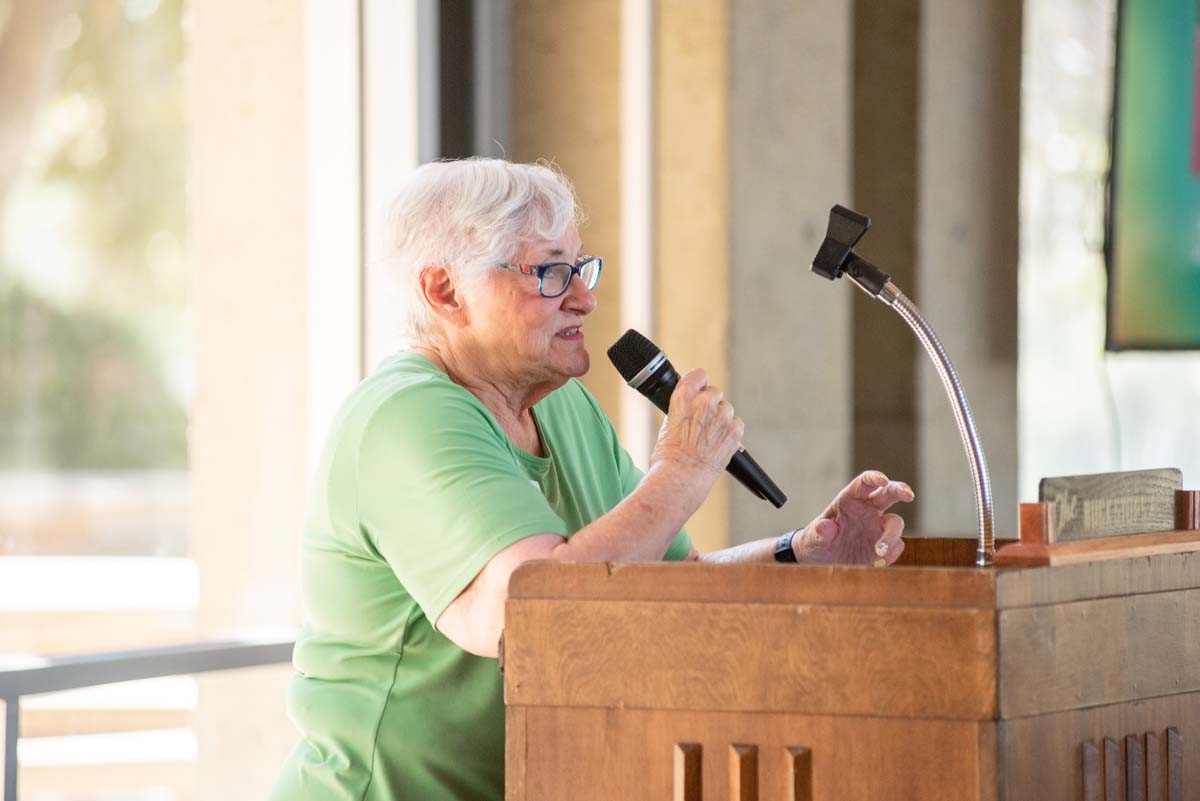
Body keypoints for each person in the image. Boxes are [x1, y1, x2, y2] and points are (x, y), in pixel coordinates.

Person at [268, 158, 913, 801]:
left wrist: (801, 554)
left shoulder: (562, 405)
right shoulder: (407, 415)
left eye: (580, 268)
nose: (585, 297)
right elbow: (530, 615)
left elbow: (662, 591)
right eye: (549, 273)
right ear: (445, 292)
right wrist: (683, 470)